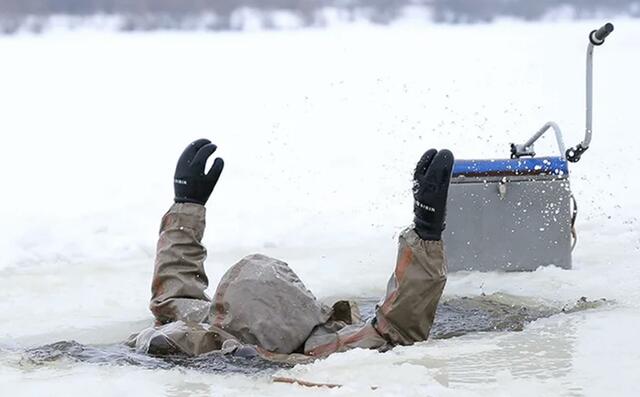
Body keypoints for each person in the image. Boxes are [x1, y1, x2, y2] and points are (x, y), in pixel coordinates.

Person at [127, 139, 454, 363]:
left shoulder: (208, 337)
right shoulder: (327, 349)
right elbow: (396, 331)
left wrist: (186, 205)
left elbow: (173, 300)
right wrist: (425, 231)